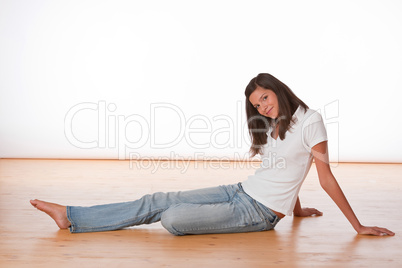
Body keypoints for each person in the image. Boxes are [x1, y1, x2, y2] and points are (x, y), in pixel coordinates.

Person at [30, 73, 395, 236]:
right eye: (256, 103)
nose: (263, 106)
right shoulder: (274, 124)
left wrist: (357, 226)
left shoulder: (311, 120)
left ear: (278, 90)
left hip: (260, 213)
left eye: (265, 97)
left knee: (171, 218)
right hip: (240, 191)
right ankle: (71, 216)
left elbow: (323, 175)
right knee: (158, 198)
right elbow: (285, 168)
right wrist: (297, 209)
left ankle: (77, 219)